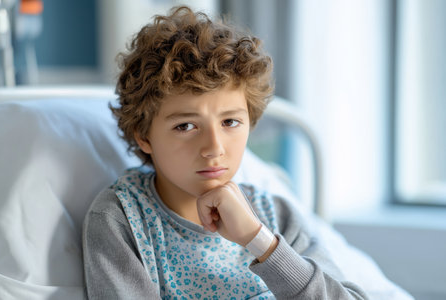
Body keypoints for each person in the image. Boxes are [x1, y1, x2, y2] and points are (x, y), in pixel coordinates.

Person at [82, 5, 369, 299]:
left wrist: (260, 242)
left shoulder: (276, 216)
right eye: (185, 126)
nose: (214, 148)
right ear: (144, 136)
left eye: (230, 122)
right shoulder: (123, 220)